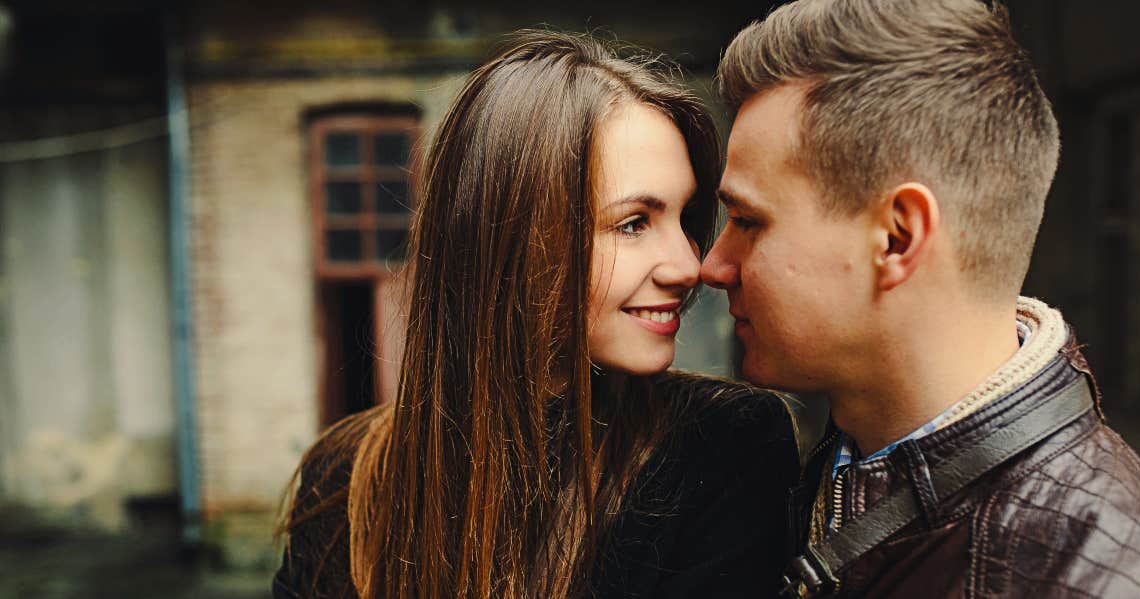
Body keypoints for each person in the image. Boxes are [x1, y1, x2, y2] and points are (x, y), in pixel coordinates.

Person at [273, 31, 800, 599]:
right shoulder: (346, 477)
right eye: (633, 223)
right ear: (518, 240)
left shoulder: (723, 447)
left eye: (682, 216)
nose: (687, 265)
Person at [701, 1, 1140, 597]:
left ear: (897, 237)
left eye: (747, 220)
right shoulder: (849, 455)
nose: (712, 266)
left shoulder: (1105, 581)